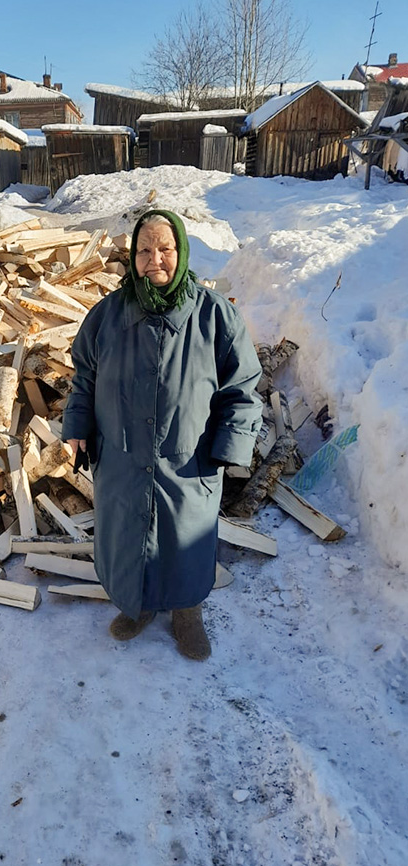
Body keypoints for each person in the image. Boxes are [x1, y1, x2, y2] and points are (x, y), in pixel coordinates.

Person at [62, 210, 262, 660]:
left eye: (165, 249)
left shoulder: (215, 316)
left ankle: (187, 610)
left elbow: (243, 386)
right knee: (128, 537)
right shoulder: (106, 316)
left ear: (182, 252)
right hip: (123, 460)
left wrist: (230, 448)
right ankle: (138, 606)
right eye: (144, 251)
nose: (155, 260)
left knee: (185, 540)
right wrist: (76, 427)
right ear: (132, 256)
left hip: (189, 462)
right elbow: (84, 379)